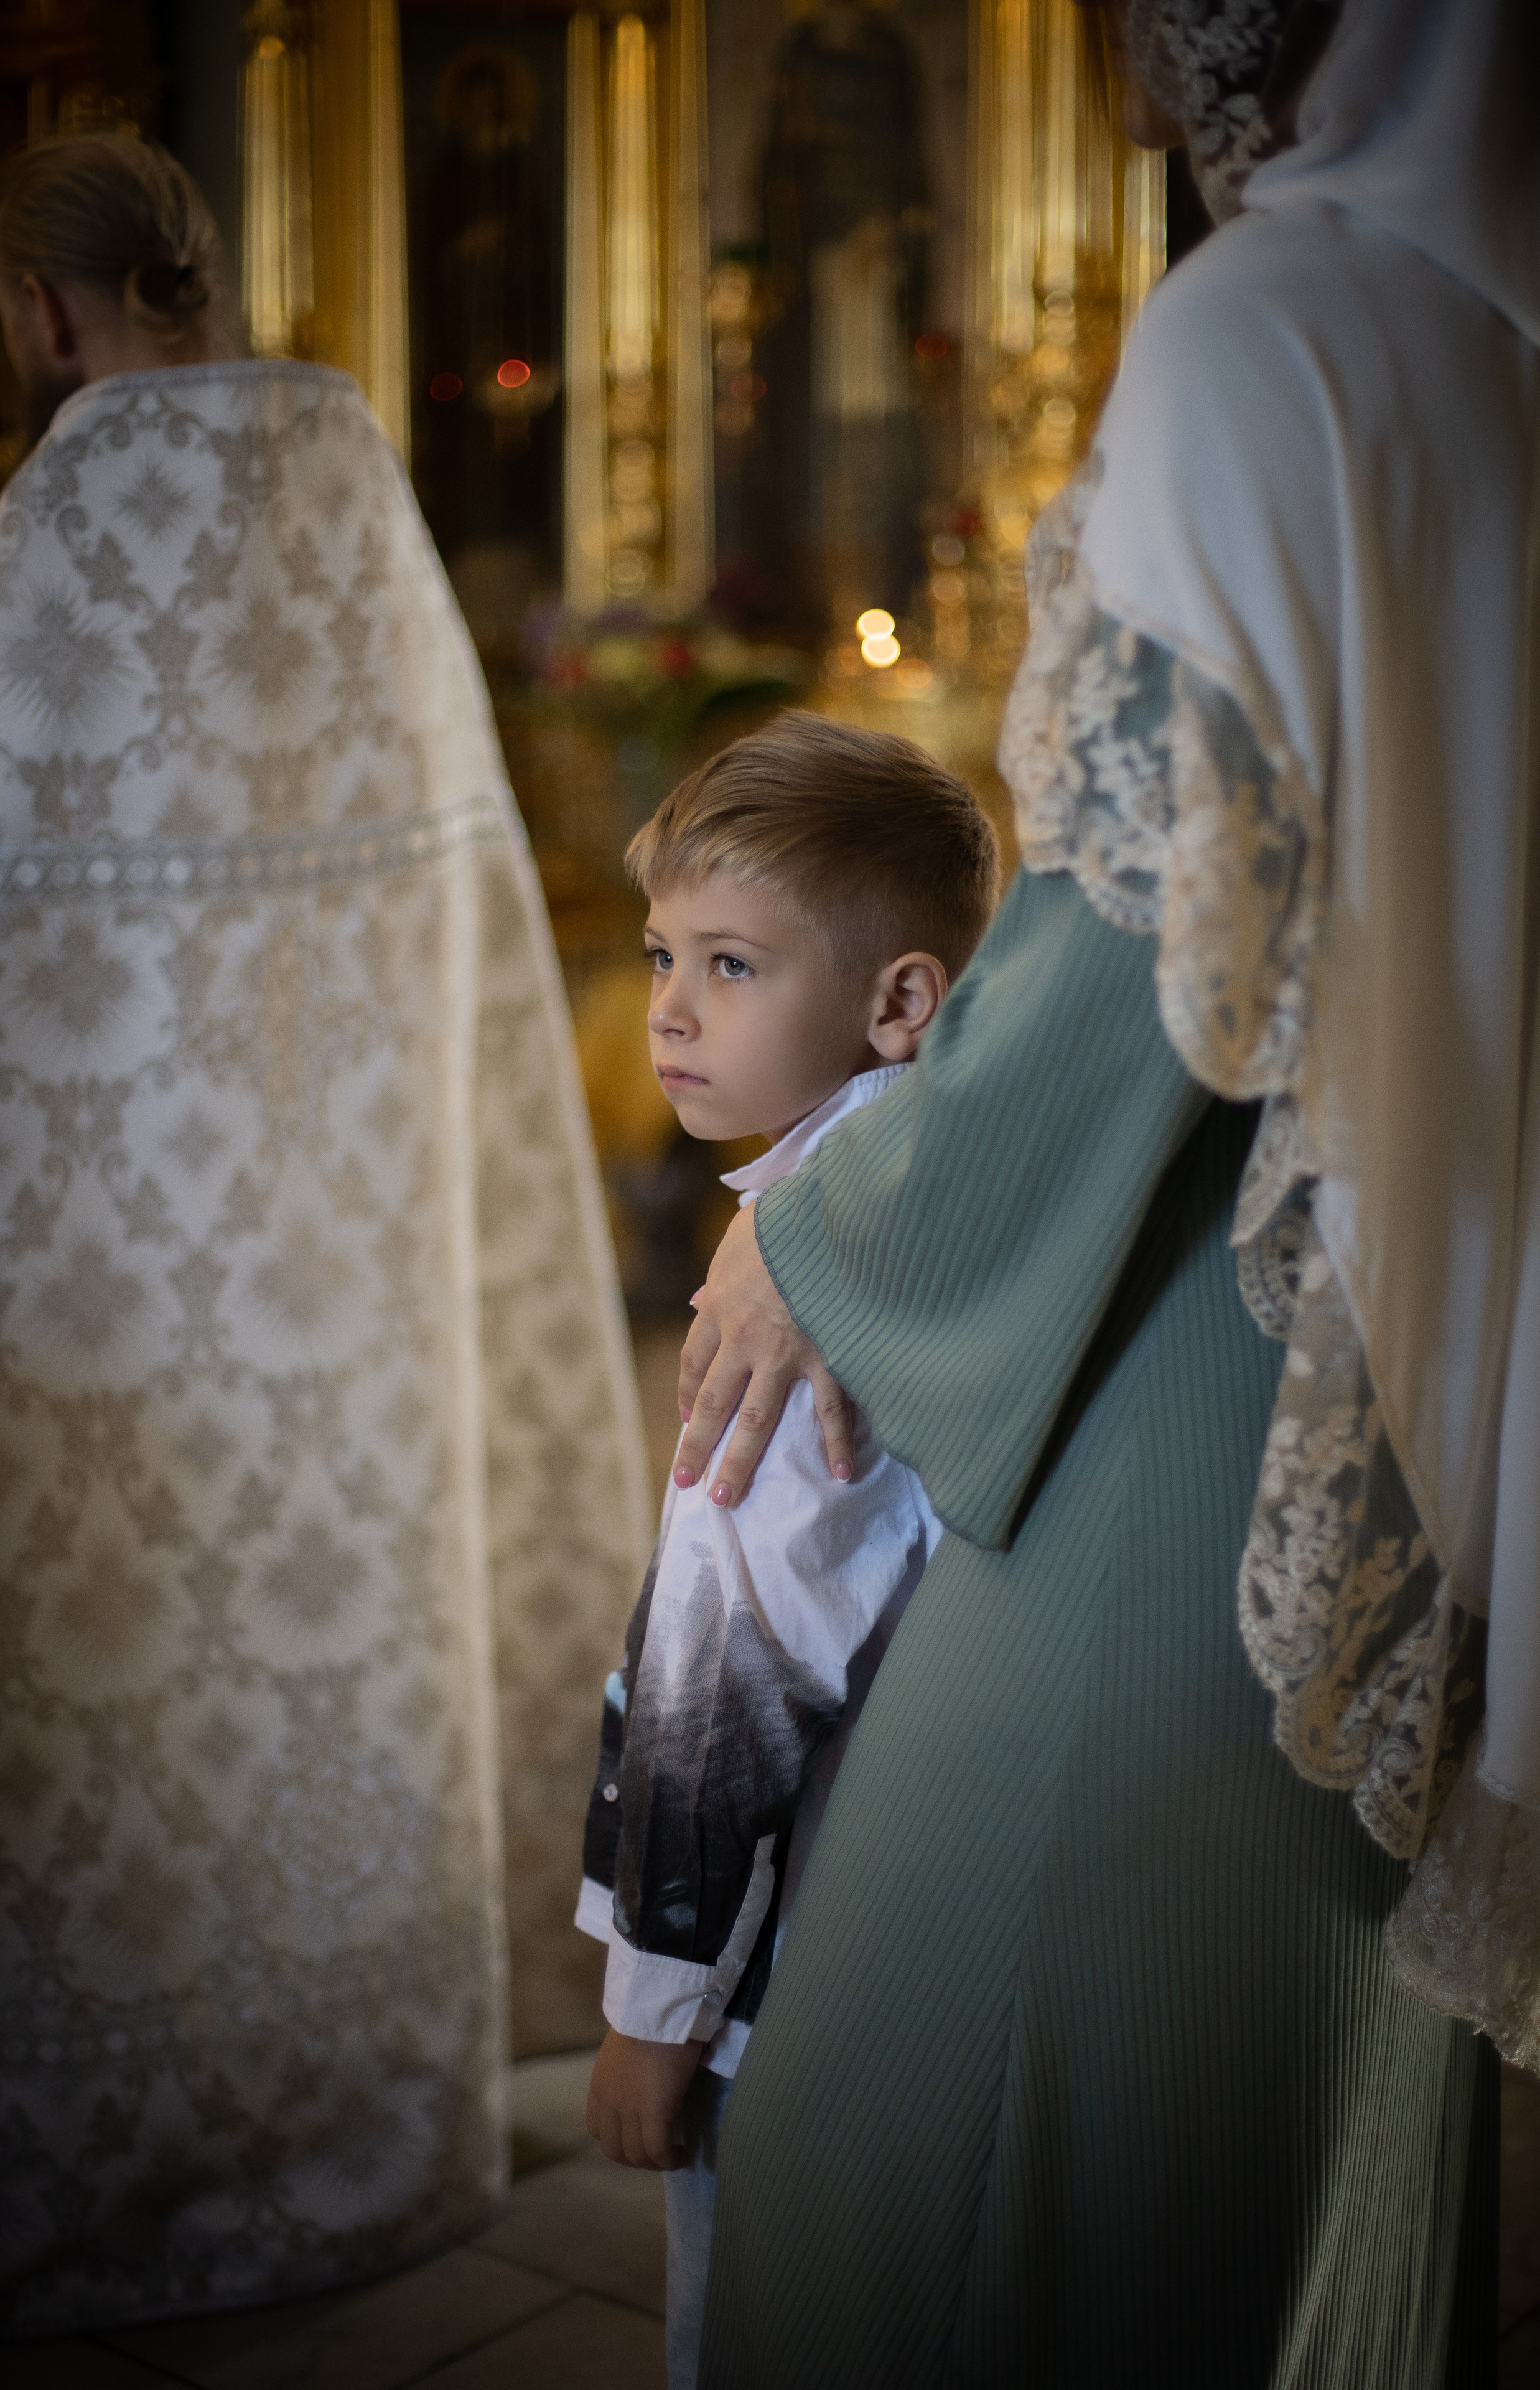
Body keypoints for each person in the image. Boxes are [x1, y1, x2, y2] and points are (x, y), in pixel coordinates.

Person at [662, 1, 1538, 2382]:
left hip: (1211, 1384)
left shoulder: (1272, 329)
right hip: (1408, 1401)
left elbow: (1140, 935)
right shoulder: (1489, 333)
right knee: (1259, 2138)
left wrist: (826, 1225)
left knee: (891, 2145)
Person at [0, 135, 648, 2335]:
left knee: (135, 1688)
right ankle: (376, 2071)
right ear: (200, 274)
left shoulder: (62, 510)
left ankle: (141, 2135)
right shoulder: (350, 470)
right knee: (344, 1635)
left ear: (47, 318)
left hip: (112, 1281)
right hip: (349, 1247)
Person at [574, 713, 999, 2389]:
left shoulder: (786, 1323)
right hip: (898, 1894)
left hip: (771, 1960)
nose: (670, 1006)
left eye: (733, 963)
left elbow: (723, 1688)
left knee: (740, 2322)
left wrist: (643, 2020)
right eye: (665, 951)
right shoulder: (924, 1192)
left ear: (902, 1003)